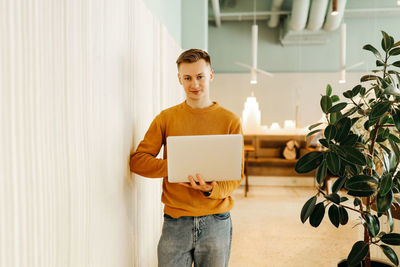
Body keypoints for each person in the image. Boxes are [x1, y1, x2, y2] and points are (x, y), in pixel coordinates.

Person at [130, 48, 243, 267]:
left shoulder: (230, 120)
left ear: (210, 75)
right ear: (179, 79)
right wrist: (174, 167)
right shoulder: (166, 118)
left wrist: (210, 189)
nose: (195, 84)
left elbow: (235, 175)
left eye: (200, 76)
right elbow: (137, 161)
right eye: (187, 78)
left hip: (217, 221)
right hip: (175, 222)